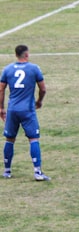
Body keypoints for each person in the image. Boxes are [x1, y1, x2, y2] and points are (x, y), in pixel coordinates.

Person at [1, 45, 50, 181]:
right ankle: (37, 172)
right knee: (33, 139)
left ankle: (7, 171)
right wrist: (39, 101)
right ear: (26, 54)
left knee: (10, 139)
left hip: (12, 109)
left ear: (16, 55)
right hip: (27, 110)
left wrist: (1, 108)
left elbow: (1, 89)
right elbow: (43, 89)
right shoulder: (34, 68)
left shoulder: (7, 69)